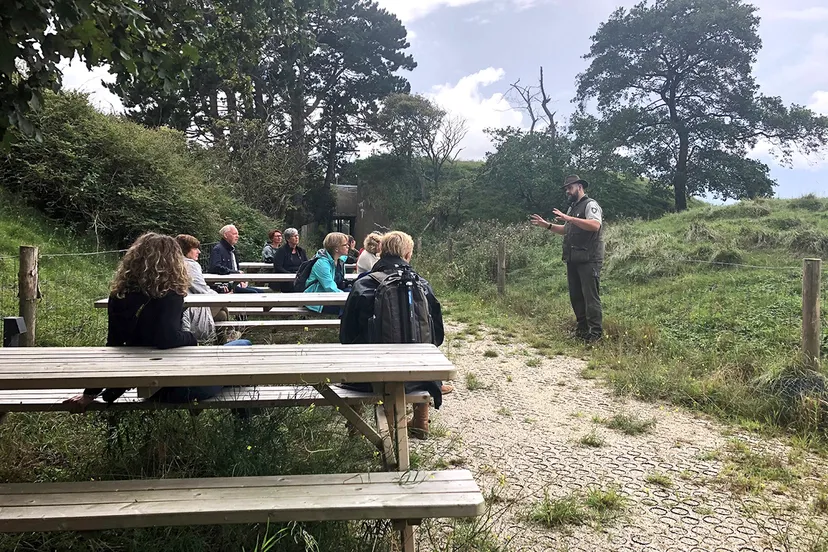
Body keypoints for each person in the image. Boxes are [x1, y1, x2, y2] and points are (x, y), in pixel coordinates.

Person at [64, 233, 250, 412]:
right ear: (172, 262)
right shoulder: (170, 295)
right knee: (243, 346)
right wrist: (191, 338)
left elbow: (113, 345)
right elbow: (167, 338)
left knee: (235, 370)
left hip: (143, 381)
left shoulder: (119, 295)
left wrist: (90, 394)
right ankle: (242, 422)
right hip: (175, 385)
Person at [339, 231, 447, 438]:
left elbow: (346, 336)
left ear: (381, 252)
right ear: (408, 254)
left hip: (368, 379)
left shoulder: (363, 284)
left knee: (352, 362)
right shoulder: (422, 285)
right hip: (419, 378)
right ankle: (420, 420)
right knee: (424, 361)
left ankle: (357, 428)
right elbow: (437, 338)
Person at [530, 174, 605, 342]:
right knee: (576, 297)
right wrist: (547, 225)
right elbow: (566, 230)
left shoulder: (590, 205)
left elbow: (595, 225)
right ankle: (582, 332)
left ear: (580, 187)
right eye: (566, 189)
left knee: (590, 298)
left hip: (589, 259)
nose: (568, 191)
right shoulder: (573, 208)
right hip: (573, 258)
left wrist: (569, 218)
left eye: (570, 188)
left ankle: (595, 335)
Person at [176, 234, 228, 338]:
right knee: (222, 302)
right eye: (195, 248)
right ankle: (229, 336)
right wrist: (217, 294)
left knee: (222, 315)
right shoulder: (190, 265)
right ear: (186, 250)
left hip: (180, 308)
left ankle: (224, 339)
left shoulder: (174, 262)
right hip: (188, 309)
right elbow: (202, 290)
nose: (199, 252)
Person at [305, 232, 350, 314]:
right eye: (345, 245)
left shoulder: (340, 260)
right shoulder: (322, 264)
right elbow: (329, 287)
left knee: (357, 296)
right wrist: (348, 297)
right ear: (336, 249)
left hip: (332, 294)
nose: (348, 246)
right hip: (318, 300)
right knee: (352, 306)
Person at [208, 224, 260, 294]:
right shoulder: (218, 249)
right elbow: (215, 267)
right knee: (255, 293)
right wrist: (235, 273)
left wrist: (241, 280)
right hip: (226, 286)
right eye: (234, 234)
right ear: (226, 235)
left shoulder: (232, 250)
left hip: (236, 284)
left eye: (237, 234)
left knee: (261, 292)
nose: (237, 236)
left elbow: (236, 269)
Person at [272, 227, 308, 292]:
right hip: (286, 279)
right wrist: (290, 274)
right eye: (294, 236)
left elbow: (306, 264)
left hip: (300, 278)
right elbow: (278, 267)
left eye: (297, 235)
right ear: (288, 239)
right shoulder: (281, 251)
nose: (297, 237)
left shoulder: (301, 251)